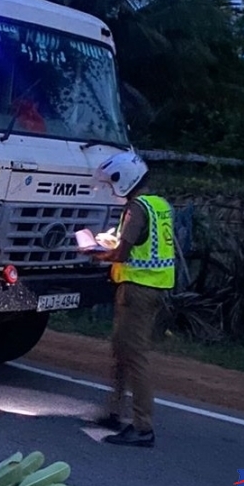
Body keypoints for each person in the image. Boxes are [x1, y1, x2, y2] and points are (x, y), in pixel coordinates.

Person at [87, 151, 175, 448]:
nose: (112, 190)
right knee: (122, 351)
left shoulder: (136, 209)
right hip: (152, 288)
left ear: (123, 179)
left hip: (136, 289)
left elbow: (124, 253)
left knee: (134, 357)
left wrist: (96, 253)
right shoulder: (159, 204)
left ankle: (142, 427)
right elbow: (145, 244)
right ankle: (114, 411)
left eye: (113, 184)